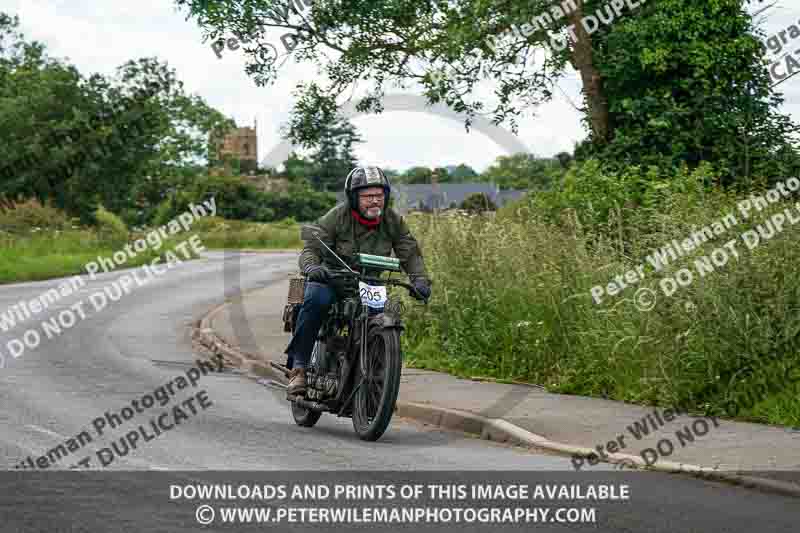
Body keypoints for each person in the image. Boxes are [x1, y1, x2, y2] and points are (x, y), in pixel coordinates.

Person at [284, 165, 432, 396]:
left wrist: (420, 280)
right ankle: (300, 368)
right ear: (354, 198)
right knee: (315, 300)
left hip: (370, 285)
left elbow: (409, 252)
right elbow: (312, 248)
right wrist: (313, 267)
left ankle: (379, 382)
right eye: (367, 196)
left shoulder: (393, 221)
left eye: (379, 195)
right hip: (332, 281)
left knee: (388, 315)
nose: (375, 201)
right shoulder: (336, 217)